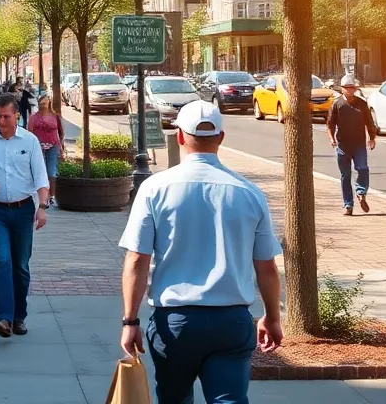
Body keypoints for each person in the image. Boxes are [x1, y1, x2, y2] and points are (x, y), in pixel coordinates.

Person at [119, 100, 283, 404]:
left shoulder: (155, 189)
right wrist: (272, 317)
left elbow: (137, 261)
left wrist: (130, 321)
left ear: (179, 136)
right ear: (221, 137)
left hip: (175, 322)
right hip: (231, 320)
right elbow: (267, 267)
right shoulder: (249, 192)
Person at [0, 93, 50, 337]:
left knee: (21, 265)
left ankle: (19, 317)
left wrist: (42, 206)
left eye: (6, 117)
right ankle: (3, 319)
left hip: (23, 210)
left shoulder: (29, 141)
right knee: (2, 261)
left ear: (17, 115)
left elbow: (40, 176)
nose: (1, 121)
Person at [325, 75, 377, 216]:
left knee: (363, 168)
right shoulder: (337, 104)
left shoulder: (361, 103)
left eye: (352, 88)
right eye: (347, 88)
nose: (350, 90)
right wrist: (331, 139)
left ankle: (361, 193)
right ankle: (348, 205)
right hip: (343, 145)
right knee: (345, 175)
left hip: (359, 144)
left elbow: (369, 122)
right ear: (342, 89)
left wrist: (372, 138)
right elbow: (330, 124)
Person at [27, 92, 65, 206]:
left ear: (49, 103)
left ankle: (52, 196)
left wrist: (61, 146)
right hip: (38, 147)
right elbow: (30, 133)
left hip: (53, 146)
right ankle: (43, 197)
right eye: (41, 103)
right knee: (40, 172)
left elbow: (61, 132)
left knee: (51, 171)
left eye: (45, 102)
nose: (42, 105)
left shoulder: (55, 116)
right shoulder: (34, 116)